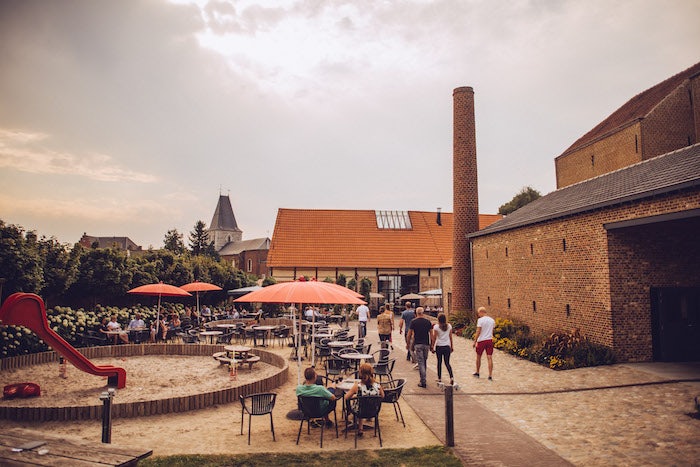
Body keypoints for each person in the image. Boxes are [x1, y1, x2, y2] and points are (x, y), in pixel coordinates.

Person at [343, 363, 385, 436]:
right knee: (362, 402)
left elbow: (346, 397)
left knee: (359, 403)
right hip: (374, 410)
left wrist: (355, 396)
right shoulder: (377, 385)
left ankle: (359, 429)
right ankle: (360, 428)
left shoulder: (358, 386)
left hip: (360, 411)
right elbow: (382, 396)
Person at [407, 307, 432, 388]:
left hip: (418, 343)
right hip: (426, 344)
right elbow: (431, 334)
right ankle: (423, 378)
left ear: (416, 313)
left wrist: (408, 343)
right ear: (423, 313)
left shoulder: (414, 322)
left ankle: (423, 380)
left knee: (421, 362)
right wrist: (432, 344)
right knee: (424, 361)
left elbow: (409, 334)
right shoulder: (428, 322)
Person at [473, 306, 496, 380]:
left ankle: (477, 372)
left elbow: (478, 331)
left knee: (478, 357)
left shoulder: (480, 320)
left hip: (481, 340)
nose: (478, 315)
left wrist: (475, 341)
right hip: (489, 340)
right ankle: (490, 375)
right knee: (489, 357)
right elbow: (492, 331)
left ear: (481, 312)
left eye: (478, 313)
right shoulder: (492, 320)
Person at [431, 313, 454, 385]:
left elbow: (434, 337)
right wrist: (452, 346)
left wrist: (432, 346)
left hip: (439, 346)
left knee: (439, 362)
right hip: (447, 346)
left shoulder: (436, 327)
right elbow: (450, 337)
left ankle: (439, 378)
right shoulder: (449, 326)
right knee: (447, 363)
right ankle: (451, 377)